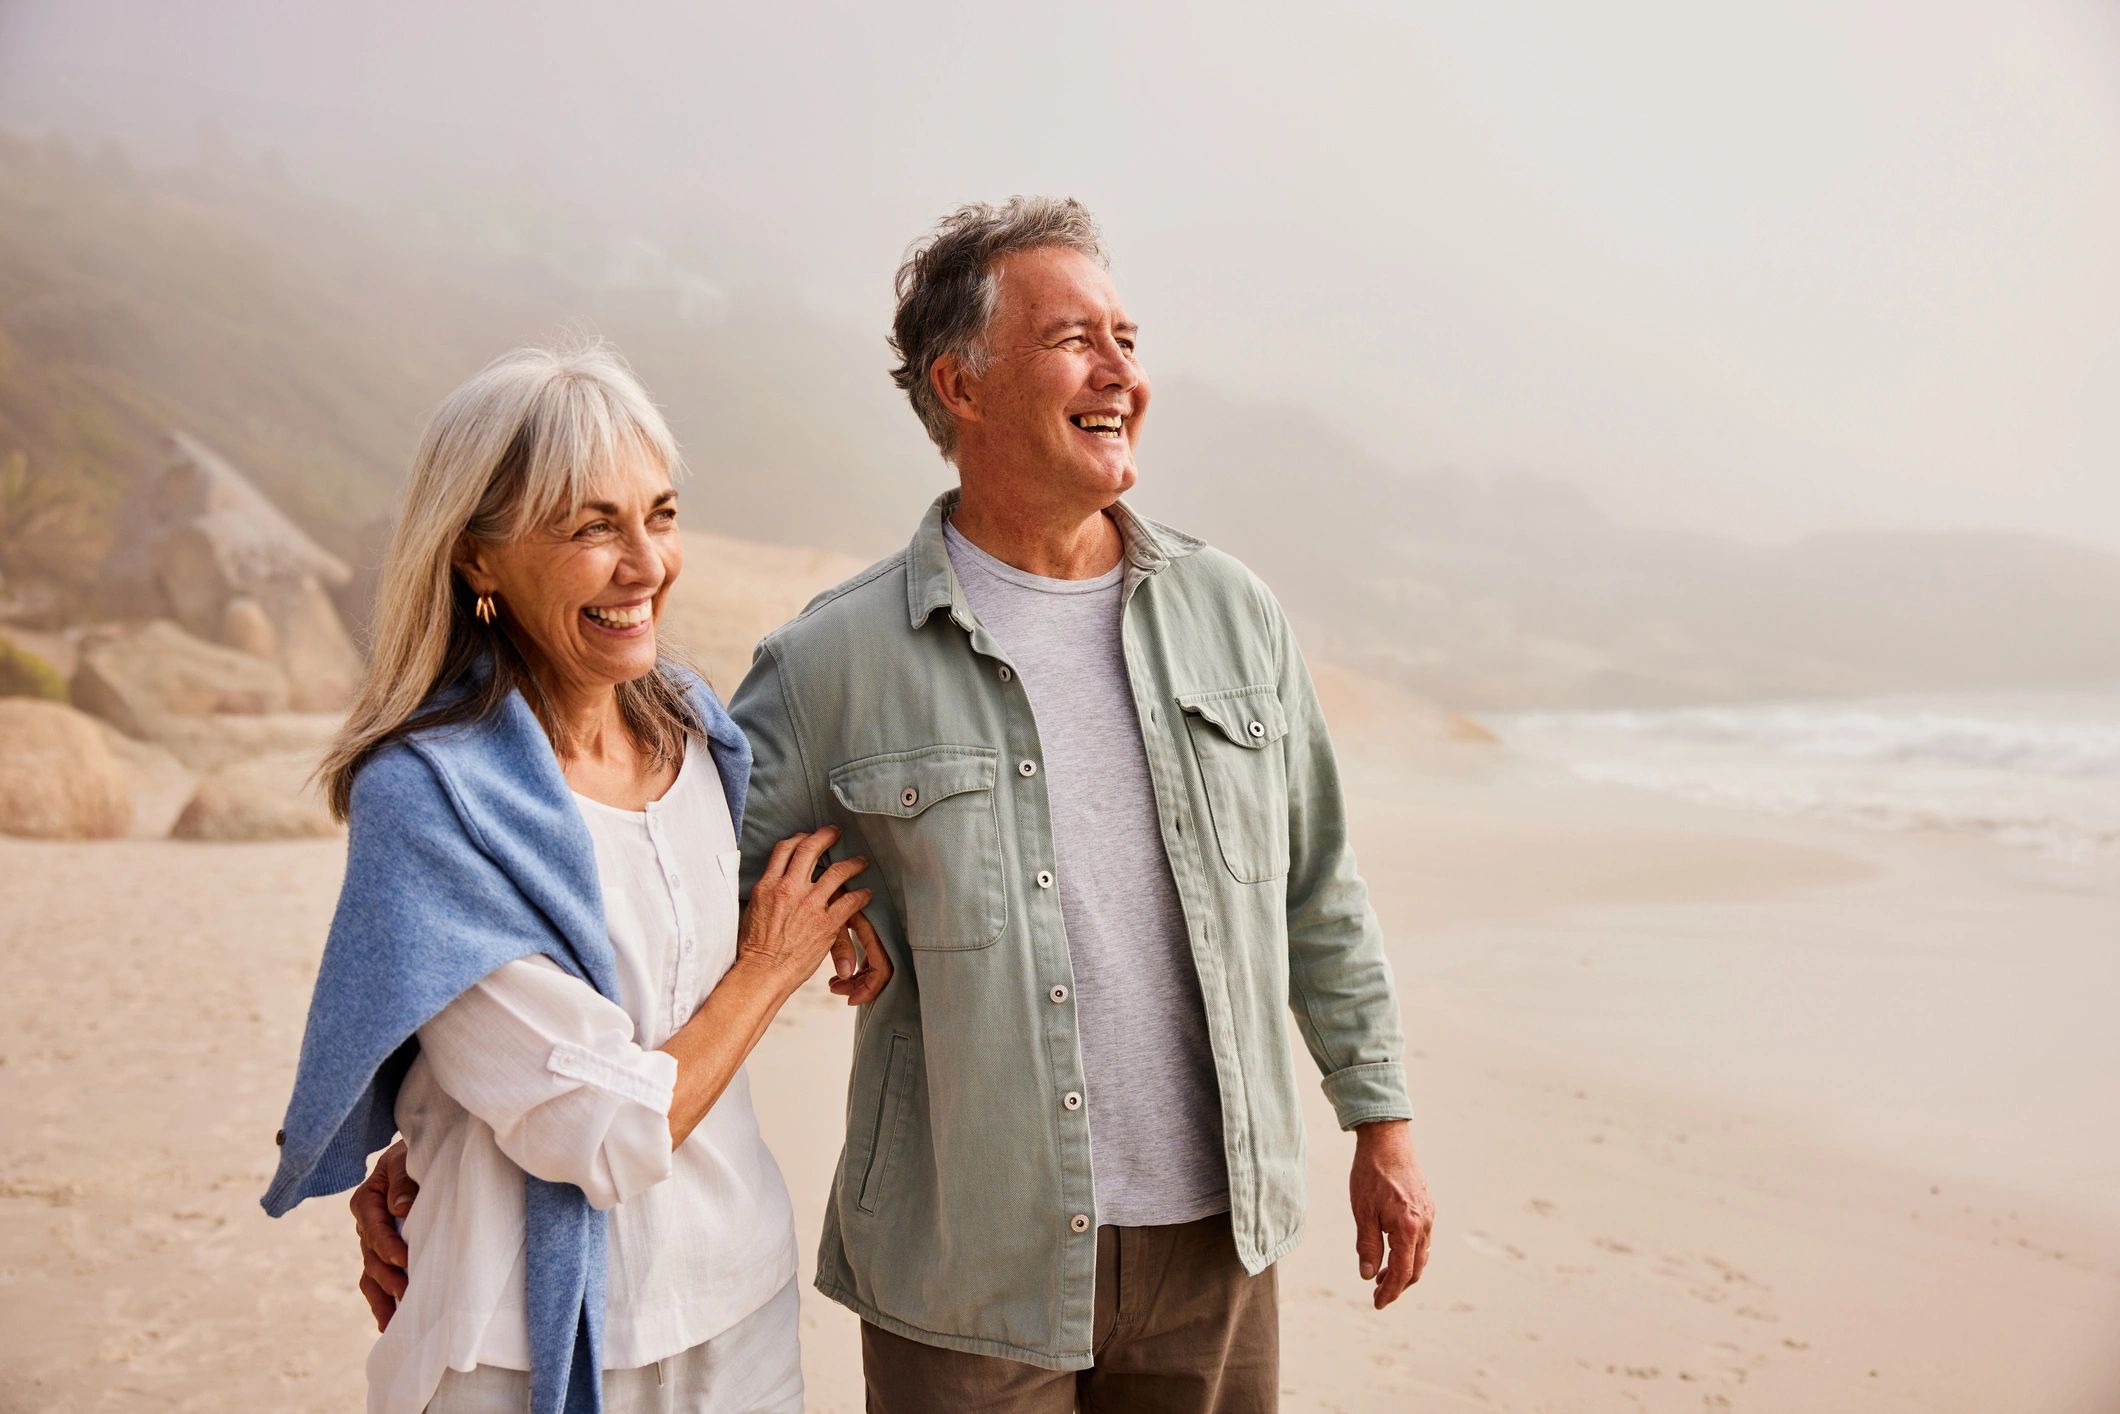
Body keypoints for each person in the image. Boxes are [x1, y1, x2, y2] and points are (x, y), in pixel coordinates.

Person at [360, 198, 1436, 1411]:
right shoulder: (832, 663)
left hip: (1216, 1244)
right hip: (963, 1266)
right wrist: (450, 1129)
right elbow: (648, 900)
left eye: (1127, 338)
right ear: (959, 385)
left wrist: (1378, 1116)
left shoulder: (1234, 613)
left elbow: (1316, 885)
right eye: (1073, 338)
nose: (1118, 369)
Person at [263, 341, 888, 1414]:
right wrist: (769, 964)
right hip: (511, 1341)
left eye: (660, 513)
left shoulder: (695, 732)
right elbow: (594, 1130)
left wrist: (832, 907)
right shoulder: (432, 797)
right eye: (591, 526)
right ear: (476, 558)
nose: (644, 563)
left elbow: (647, 955)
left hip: (738, 1300)